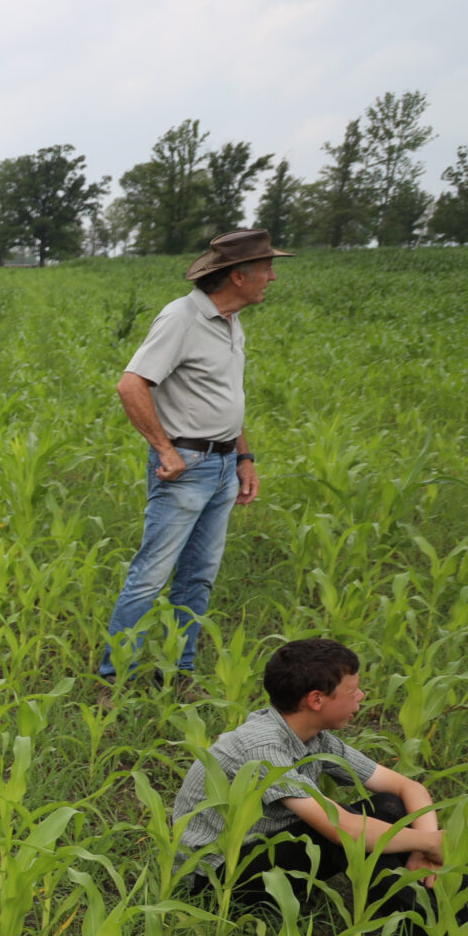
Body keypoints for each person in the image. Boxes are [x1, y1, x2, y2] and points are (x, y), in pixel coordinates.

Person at [169, 637, 468, 920]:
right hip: (214, 879)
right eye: (352, 691)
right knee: (329, 832)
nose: (362, 697)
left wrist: (426, 847)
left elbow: (406, 787)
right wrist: (429, 842)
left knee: (388, 805)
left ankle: (438, 885)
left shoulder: (313, 737)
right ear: (316, 700)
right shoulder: (263, 747)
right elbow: (343, 829)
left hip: (263, 849)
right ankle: (441, 915)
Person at [97, 229, 289, 683]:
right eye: (266, 269)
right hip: (187, 468)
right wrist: (165, 449)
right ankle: (114, 679)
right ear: (238, 276)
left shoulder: (230, 321)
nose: (273, 277)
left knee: (199, 576)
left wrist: (244, 457)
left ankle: (177, 673)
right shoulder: (181, 318)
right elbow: (131, 385)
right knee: (151, 575)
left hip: (223, 466)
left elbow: (227, 397)